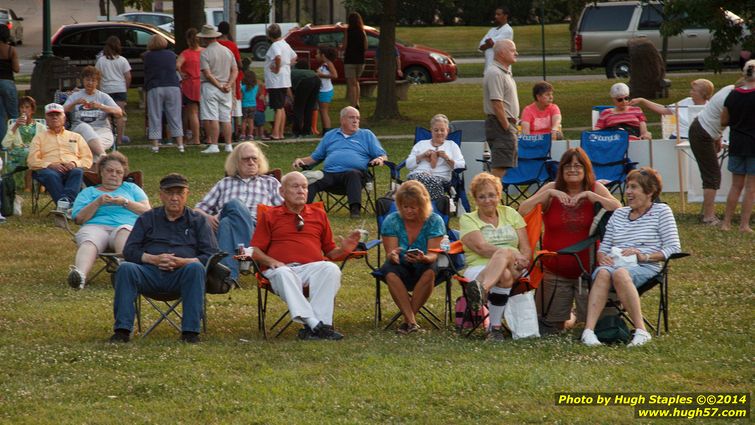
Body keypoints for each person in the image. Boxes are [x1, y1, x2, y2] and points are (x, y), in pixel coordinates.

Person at [518, 148, 621, 332]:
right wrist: (548, 195)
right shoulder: (552, 188)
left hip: (588, 273)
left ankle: (575, 313)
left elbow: (619, 209)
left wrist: (591, 196)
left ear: (586, 169)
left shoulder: (595, 187)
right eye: (567, 165)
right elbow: (521, 211)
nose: (572, 169)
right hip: (555, 271)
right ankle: (570, 316)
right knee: (551, 328)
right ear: (561, 169)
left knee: (595, 326)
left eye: (577, 165)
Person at [251, 171, 359, 340]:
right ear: (282, 192)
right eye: (295, 186)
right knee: (284, 272)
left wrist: (345, 249)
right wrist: (273, 262)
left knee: (330, 268)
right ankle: (316, 325)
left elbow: (330, 252)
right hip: (279, 271)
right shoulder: (270, 215)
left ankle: (315, 328)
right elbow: (255, 251)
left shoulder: (318, 214)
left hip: (310, 270)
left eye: (304, 187)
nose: (301, 191)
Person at [111, 173, 218, 344]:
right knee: (126, 268)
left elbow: (211, 255)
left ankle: (190, 333)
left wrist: (184, 262)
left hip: (182, 275)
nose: (174, 198)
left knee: (196, 268)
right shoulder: (147, 218)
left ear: (187, 195)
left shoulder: (198, 221)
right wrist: (153, 259)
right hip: (149, 274)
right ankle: (122, 331)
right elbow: (130, 250)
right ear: (161, 195)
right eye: (169, 193)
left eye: (179, 193)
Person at [581, 168, 681, 347]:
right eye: (627, 187)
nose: (628, 192)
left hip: (645, 266)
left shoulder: (661, 211)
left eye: (634, 187)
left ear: (649, 191)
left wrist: (644, 256)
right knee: (603, 272)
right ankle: (588, 332)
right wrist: (602, 256)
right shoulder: (619, 214)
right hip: (614, 264)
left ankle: (641, 331)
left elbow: (673, 248)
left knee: (619, 273)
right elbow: (603, 248)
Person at [195, 141, 283, 282]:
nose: (251, 162)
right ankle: (247, 253)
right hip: (225, 229)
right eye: (246, 159)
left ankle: (228, 278)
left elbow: (284, 210)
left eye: (254, 158)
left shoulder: (270, 183)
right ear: (236, 162)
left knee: (227, 222)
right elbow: (197, 210)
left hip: (257, 228)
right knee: (233, 207)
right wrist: (208, 218)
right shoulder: (224, 183)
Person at [460, 172, 532, 340]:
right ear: (475, 199)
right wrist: (510, 253)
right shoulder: (468, 219)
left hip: (515, 267)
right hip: (478, 266)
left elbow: (527, 248)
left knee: (506, 261)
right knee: (504, 275)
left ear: (499, 195)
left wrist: (522, 259)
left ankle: (480, 289)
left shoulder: (511, 214)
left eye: (491, 195)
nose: (487, 200)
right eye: (482, 197)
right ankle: (495, 328)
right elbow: (481, 248)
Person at [68, 152, 150, 289]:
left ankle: (125, 271)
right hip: (96, 226)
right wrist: (97, 202)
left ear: (123, 175)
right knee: (89, 241)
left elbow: (147, 212)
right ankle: (79, 277)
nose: (114, 174)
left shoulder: (132, 189)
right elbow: (79, 219)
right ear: (101, 172)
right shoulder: (88, 192)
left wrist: (125, 202)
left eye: (119, 172)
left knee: (124, 231)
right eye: (110, 171)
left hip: (125, 226)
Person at [292, 106, 387, 219]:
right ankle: (302, 210)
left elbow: (382, 155)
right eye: (352, 117)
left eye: (357, 118)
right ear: (342, 120)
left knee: (352, 174)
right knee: (313, 178)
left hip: (355, 176)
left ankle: (355, 211)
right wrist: (301, 160)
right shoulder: (330, 135)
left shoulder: (366, 135)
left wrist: (380, 159)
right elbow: (315, 157)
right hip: (330, 174)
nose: (355, 120)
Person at [378, 181, 445, 334]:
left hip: (425, 263)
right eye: (404, 206)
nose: (408, 211)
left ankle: (407, 321)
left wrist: (423, 258)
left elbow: (433, 254)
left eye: (413, 207)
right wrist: (393, 255)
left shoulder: (434, 221)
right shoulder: (392, 220)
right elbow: (391, 253)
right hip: (401, 264)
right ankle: (411, 321)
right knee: (389, 269)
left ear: (423, 205)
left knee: (430, 270)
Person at [27, 103, 93, 204]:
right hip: (48, 170)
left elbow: (88, 159)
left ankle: (63, 204)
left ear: (64, 117)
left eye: (57, 114)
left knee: (78, 172)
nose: (54, 117)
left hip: (71, 169)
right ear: (46, 119)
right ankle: (68, 205)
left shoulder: (76, 137)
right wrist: (49, 165)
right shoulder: (39, 138)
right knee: (50, 175)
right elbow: (31, 161)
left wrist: (74, 164)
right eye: (51, 115)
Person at [720, 59, 755, 233]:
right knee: (751, 187)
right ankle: (744, 224)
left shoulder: (732, 95)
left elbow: (724, 120)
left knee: (736, 185)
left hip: (737, 143)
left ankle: (726, 222)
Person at [63, 66, 123, 160]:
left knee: (93, 148)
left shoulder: (103, 97)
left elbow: (119, 113)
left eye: (93, 80)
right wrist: (75, 103)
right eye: (87, 80)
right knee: (85, 126)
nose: (90, 83)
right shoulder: (75, 96)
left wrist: (101, 106)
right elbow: (61, 110)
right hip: (79, 132)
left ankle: (92, 172)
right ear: (83, 80)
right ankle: (104, 159)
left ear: (97, 82)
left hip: (102, 131)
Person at [405, 113, 465, 200]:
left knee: (421, 184)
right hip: (418, 176)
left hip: (440, 179)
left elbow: (461, 165)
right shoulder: (421, 144)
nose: (439, 133)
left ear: (447, 131)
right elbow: (408, 165)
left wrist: (447, 158)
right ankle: (437, 203)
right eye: (436, 130)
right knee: (418, 179)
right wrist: (421, 156)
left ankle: (422, 204)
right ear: (431, 130)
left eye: (442, 130)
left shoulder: (452, 145)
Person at [197, 24, 238, 154]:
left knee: (212, 116)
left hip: (211, 87)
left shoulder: (205, 53)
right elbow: (235, 70)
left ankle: (214, 144)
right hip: (226, 86)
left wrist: (219, 85)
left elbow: (208, 74)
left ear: (205, 38)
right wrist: (229, 84)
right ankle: (228, 145)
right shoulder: (227, 51)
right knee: (226, 117)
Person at [483, 39, 520, 178]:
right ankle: (488, 197)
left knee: (502, 167)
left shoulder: (504, 72)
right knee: (499, 169)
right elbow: (497, 103)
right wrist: (506, 126)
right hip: (500, 125)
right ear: (502, 53)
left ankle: (490, 196)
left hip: (506, 124)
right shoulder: (495, 73)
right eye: (512, 50)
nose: (516, 53)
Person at [630, 79, 714, 139]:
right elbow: (664, 109)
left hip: (699, 139)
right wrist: (642, 100)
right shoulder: (686, 102)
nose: (690, 92)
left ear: (703, 93)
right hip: (678, 138)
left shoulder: (710, 108)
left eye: (694, 90)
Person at [143, 34, 184, 153]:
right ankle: (180, 145)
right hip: (172, 86)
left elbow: (147, 72)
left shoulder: (148, 56)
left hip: (155, 86)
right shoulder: (171, 55)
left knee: (155, 115)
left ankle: (155, 145)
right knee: (175, 115)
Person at [2, 96, 45, 190]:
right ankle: (34, 184)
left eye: (27, 107)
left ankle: (30, 184)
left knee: (31, 153)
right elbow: (5, 144)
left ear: (32, 110)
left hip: (35, 152)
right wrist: (15, 127)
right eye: (22, 108)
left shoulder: (41, 127)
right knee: (27, 153)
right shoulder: (14, 125)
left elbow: (45, 143)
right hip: (18, 153)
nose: (24, 110)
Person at [95, 36, 131, 146]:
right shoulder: (122, 60)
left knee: (107, 116)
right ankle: (120, 139)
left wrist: (99, 90)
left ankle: (109, 140)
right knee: (120, 115)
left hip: (106, 90)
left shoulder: (101, 61)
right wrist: (126, 88)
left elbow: (97, 76)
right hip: (120, 89)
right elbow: (128, 76)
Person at [264, 23, 297, 140]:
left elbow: (277, 57)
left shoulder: (275, 45)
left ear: (269, 35)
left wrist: (277, 68)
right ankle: (280, 133)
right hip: (284, 79)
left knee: (277, 107)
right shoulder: (285, 44)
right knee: (281, 106)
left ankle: (275, 133)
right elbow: (294, 57)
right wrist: (285, 64)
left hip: (276, 81)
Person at [217, 21, 244, 141]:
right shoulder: (232, 45)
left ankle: (220, 133)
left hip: (218, 78)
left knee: (219, 108)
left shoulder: (215, 44)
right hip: (232, 79)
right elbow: (238, 62)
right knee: (234, 107)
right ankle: (236, 132)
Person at [176, 28, 203, 146]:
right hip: (203, 83)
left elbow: (177, 65)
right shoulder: (204, 51)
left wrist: (182, 73)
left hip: (190, 84)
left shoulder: (185, 53)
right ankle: (209, 137)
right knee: (206, 113)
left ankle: (195, 138)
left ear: (188, 40)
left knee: (192, 113)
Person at [341, 12, 367, 109]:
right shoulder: (362, 31)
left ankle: (352, 104)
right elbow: (365, 46)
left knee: (351, 84)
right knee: (356, 82)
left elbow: (345, 46)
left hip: (350, 60)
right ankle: (357, 102)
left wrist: (341, 46)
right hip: (360, 60)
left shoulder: (348, 31)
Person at [290, 59, 321, 137]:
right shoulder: (309, 71)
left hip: (305, 82)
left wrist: (292, 98)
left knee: (298, 108)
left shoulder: (291, 72)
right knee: (309, 108)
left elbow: (288, 87)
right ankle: (307, 131)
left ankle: (297, 131)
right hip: (317, 80)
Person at [478, 6, 514, 71]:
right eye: (495, 14)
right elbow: (480, 46)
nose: (496, 16)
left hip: (501, 69)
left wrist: (488, 43)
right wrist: (488, 43)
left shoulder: (508, 30)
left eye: (498, 14)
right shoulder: (492, 30)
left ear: (505, 16)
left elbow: (492, 43)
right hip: (488, 67)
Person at [0, 25, 19, 140]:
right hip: (7, 82)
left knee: (0, 115)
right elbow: (16, 69)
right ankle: (16, 140)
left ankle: (2, 142)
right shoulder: (10, 50)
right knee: (13, 114)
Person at [316, 47, 338, 133]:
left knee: (324, 111)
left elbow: (334, 75)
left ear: (323, 55)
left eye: (318, 53)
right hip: (322, 90)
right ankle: (325, 129)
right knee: (322, 111)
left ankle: (327, 130)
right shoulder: (324, 64)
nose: (316, 55)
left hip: (325, 91)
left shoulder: (329, 63)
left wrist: (320, 75)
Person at [240, 69, 258, 141]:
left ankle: (243, 135)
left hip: (244, 105)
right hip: (253, 105)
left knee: (244, 121)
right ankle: (250, 135)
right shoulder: (256, 86)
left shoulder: (243, 87)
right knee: (251, 121)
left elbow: (241, 97)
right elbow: (255, 95)